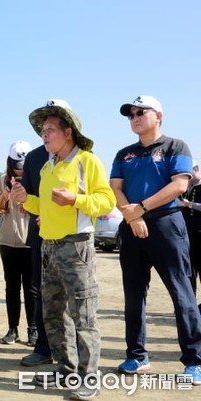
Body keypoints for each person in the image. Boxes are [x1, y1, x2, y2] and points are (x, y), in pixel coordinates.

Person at [11, 99, 115, 400]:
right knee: (54, 315)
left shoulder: (87, 161)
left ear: (68, 132)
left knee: (83, 315)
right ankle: (66, 369)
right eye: (42, 131)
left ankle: (88, 376)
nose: (44, 135)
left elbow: (106, 201)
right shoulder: (47, 166)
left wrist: (76, 200)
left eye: (50, 130)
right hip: (48, 246)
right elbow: (41, 206)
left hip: (76, 245)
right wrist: (23, 198)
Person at [109, 95, 201, 384]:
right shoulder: (124, 153)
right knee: (134, 294)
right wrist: (133, 217)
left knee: (182, 292)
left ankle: (194, 360)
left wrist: (143, 208)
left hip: (166, 225)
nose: (134, 117)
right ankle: (137, 356)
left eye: (140, 112)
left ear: (158, 115)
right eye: (130, 114)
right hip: (132, 226)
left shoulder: (176, 146)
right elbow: (115, 186)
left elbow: (179, 184)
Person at [0, 140, 36, 346]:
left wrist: (29, 201)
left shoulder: (37, 178)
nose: (19, 171)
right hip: (8, 242)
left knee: (31, 288)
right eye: (16, 166)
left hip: (30, 242)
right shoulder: (2, 180)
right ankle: (12, 330)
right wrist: (6, 195)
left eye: (23, 166)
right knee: (12, 287)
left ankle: (33, 330)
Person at [18, 144, 54, 367]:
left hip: (72, 235)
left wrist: (53, 214)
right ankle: (44, 348)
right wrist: (40, 213)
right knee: (42, 290)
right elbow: (27, 195)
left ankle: (72, 349)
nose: (46, 131)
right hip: (40, 233)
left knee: (72, 296)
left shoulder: (82, 154)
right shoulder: (34, 157)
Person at [179, 160, 201, 296]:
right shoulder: (186, 188)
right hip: (188, 235)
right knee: (189, 270)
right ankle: (190, 303)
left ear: (196, 169)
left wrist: (190, 204)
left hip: (200, 234)